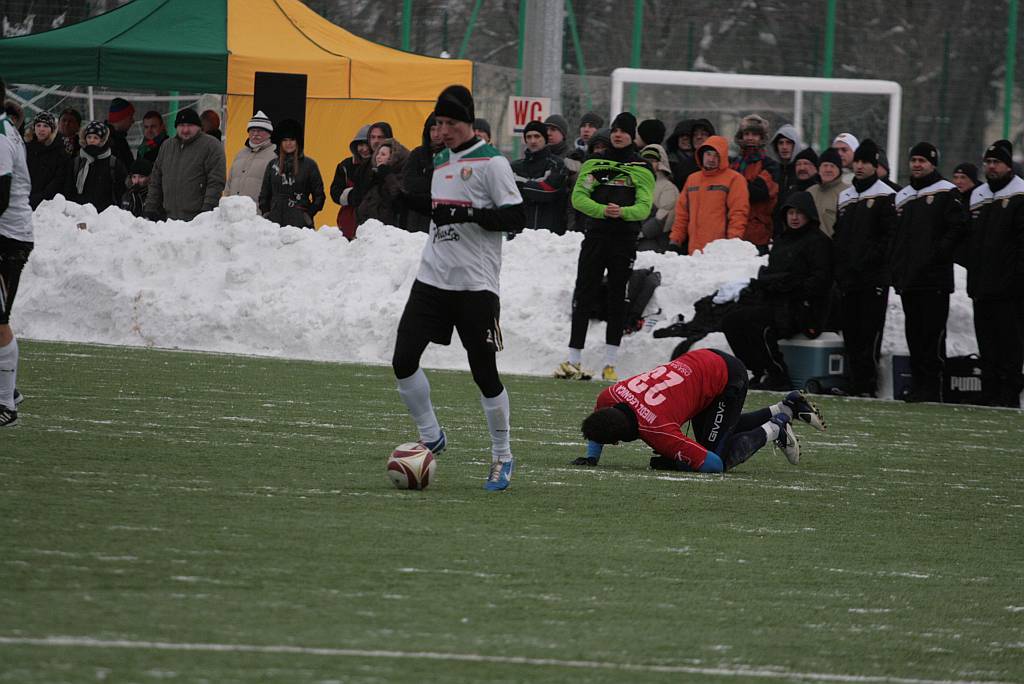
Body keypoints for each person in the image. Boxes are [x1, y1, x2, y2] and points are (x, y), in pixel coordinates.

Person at [392, 85, 525, 491]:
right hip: (432, 278)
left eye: (449, 123)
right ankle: (431, 433)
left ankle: (502, 455)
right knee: (403, 359)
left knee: (484, 373)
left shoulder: (492, 163)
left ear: (467, 122)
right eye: (438, 123)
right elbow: (440, 212)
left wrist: (466, 214)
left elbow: (515, 216)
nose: (442, 131)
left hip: (475, 285)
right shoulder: (440, 159)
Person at [572, 348, 827, 472]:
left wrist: (676, 462)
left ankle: (776, 427)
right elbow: (600, 421)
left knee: (719, 456)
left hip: (726, 377)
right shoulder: (609, 395)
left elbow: (712, 464)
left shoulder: (657, 429)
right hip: (700, 361)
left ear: (622, 437)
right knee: (717, 433)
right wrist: (592, 457)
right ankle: (786, 407)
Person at [554, 112, 654, 382]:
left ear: (632, 135)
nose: (618, 135)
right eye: (615, 131)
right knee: (584, 292)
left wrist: (621, 212)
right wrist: (602, 210)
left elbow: (644, 206)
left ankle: (610, 363)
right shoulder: (594, 163)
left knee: (616, 298)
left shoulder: (643, 167)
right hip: (595, 236)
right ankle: (573, 359)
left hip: (624, 240)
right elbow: (578, 198)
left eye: (624, 131)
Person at [721, 191, 833, 390]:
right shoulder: (782, 241)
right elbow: (774, 274)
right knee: (731, 320)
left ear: (809, 214)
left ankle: (777, 373)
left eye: (799, 213)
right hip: (776, 303)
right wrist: (765, 284)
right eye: (791, 213)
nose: (795, 217)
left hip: (803, 309)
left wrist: (790, 286)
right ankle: (758, 370)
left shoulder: (819, 242)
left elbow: (821, 281)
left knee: (759, 324)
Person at [890, 141, 967, 402]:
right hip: (910, 280)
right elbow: (897, 239)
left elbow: (957, 229)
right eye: (914, 160)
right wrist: (898, 271)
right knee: (914, 335)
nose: (917, 165)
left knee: (932, 336)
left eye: (922, 160)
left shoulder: (947, 191)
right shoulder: (903, 196)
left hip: (934, 279)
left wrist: (938, 255)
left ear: (933, 163)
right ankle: (918, 385)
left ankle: (933, 387)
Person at [832, 139, 897, 397]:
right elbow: (840, 236)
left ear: (875, 165)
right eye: (857, 161)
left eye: (865, 162)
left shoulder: (885, 195)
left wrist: (868, 261)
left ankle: (867, 384)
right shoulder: (846, 196)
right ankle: (853, 380)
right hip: (849, 280)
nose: (859, 166)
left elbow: (888, 238)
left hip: (873, 278)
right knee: (851, 332)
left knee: (869, 332)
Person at [965, 139, 1024, 408]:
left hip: (1010, 290)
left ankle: (1009, 395)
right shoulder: (978, 195)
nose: (991, 167)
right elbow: (972, 244)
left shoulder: (1019, 193)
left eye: (996, 162)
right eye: (987, 162)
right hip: (982, 288)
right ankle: (988, 393)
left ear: (1008, 165)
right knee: (987, 346)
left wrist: (1015, 281)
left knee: (1010, 346)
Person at [0, 76, 35, 427]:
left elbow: (1, 194)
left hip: (7, 236)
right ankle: (8, 394)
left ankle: (6, 405)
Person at [667, 134, 749, 255]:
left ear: (723, 157)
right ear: (701, 155)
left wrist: (733, 243)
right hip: (694, 250)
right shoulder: (692, 179)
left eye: (716, 155)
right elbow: (682, 214)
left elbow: (738, 213)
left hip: (720, 250)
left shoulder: (734, 179)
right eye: (708, 154)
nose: (711, 159)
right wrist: (675, 240)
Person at [144, 108, 226, 221]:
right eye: (182, 125)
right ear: (176, 127)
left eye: (190, 125)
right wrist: (150, 208)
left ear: (198, 127)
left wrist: (207, 211)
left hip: (197, 220)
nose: (185, 130)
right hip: (169, 220)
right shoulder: (167, 146)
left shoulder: (211, 146)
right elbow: (156, 180)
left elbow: (216, 181)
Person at [258, 118, 325, 229]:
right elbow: (264, 194)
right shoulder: (272, 165)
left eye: (292, 140)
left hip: (300, 224)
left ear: (297, 141)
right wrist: (266, 213)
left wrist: (307, 215)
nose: (288, 144)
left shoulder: (309, 165)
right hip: (274, 224)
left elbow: (320, 196)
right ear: (280, 142)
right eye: (285, 140)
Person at [730, 114, 779, 254]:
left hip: (758, 234)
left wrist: (734, 184)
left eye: (755, 134)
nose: (750, 138)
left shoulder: (770, 166)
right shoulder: (732, 163)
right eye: (746, 134)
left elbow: (759, 192)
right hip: (732, 231)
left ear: (762, 138)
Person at [511, 120, 568, 234]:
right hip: (520, 235)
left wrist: (521, 184)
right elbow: (507, 195)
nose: (533, 141)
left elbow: (549, 190)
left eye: (537, 136)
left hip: (549, 235)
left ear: (545, 139)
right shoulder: (514, 166)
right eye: (529, 137)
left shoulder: (557, 164)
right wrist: (533, 186)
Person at [62, 120, 128, 211]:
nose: (92, 140)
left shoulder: (114, 163)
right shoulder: (76, 162)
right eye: (89, 137)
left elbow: (121, 190)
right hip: (80, 212)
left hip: (106, 214)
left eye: (95, 137)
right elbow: (68, 189)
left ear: (102, 140)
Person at [224, 110, 276, 205]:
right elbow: (229, 184)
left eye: (260, 131)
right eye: (252, 130)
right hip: (233, 213)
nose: (255, 134)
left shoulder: (275, 154)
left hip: (259, 215)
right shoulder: (240, 154)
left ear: (269, 133)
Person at [329, 124, 372, 239]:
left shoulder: (381, 167)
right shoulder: (345, 166)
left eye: (368, 144)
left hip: (372, 220)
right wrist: (351, 196)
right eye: (361, 145)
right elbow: (335, 192)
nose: (364, 149)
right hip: (349, 221)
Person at [402, 114, 443, 234]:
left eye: (439, 129)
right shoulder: (418, 154)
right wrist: (432, 181)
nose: (436, 134)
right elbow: (408, 183)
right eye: (432, 129)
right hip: (418, 217)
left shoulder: (453, 154)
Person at [356, 137, 409, 227]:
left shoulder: (401, 176)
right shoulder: (374, 176)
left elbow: (398, 198)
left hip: (389, 233)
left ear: (393, 158)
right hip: (369, 231)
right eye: (378, 153)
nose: (378, 157)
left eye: (383, 154)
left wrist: (387, 174)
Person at [637, 143, 678, 252]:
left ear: (660, 163)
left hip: (656, 242)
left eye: (652, 160)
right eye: (645, 160)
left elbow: (665, 215)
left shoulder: (668, 187)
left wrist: (641, 233)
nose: (648, 164)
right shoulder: (635, 185)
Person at [25, 112, 69, 208]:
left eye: (45, 126)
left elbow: (58, 180)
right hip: (25, 199)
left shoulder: (60, 152)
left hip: (48, 205)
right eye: (38, 125)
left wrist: (41, 197)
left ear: (52, 129)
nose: (41, 129)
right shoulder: (26, 149)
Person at [806, 147, 848, 238]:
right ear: (819, 169)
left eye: (832, 166)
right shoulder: (809, 192)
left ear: (839, 170)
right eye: (825, 165)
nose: (828, 169)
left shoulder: (847, 193)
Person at [664, 118, 698, 190]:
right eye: (681, 135)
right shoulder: (667, 161)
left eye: (688, 136)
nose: (684, 139)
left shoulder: (704, 161)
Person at [105, 97, 135, 170]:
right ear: (122, 118)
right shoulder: (107, 141)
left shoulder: (119, 138)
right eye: (130, 117)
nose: (133, 121)